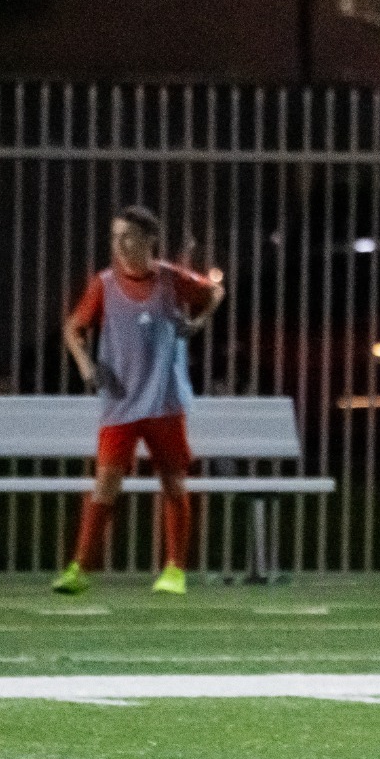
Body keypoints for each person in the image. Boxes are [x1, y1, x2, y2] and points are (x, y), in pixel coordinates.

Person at [50, 205, 224, 596]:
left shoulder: (171, 280)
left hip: (164, 401)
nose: (120, 244)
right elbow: (73, 328)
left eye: (128, 236)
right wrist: (86, 366)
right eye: (115, 237)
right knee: (105, 484)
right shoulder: (104, 284)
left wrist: (198, 321)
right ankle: (80, 569)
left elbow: (214, 291)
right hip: (120, 403)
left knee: (173, 483)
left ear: (149, 241)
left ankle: (175, 570)